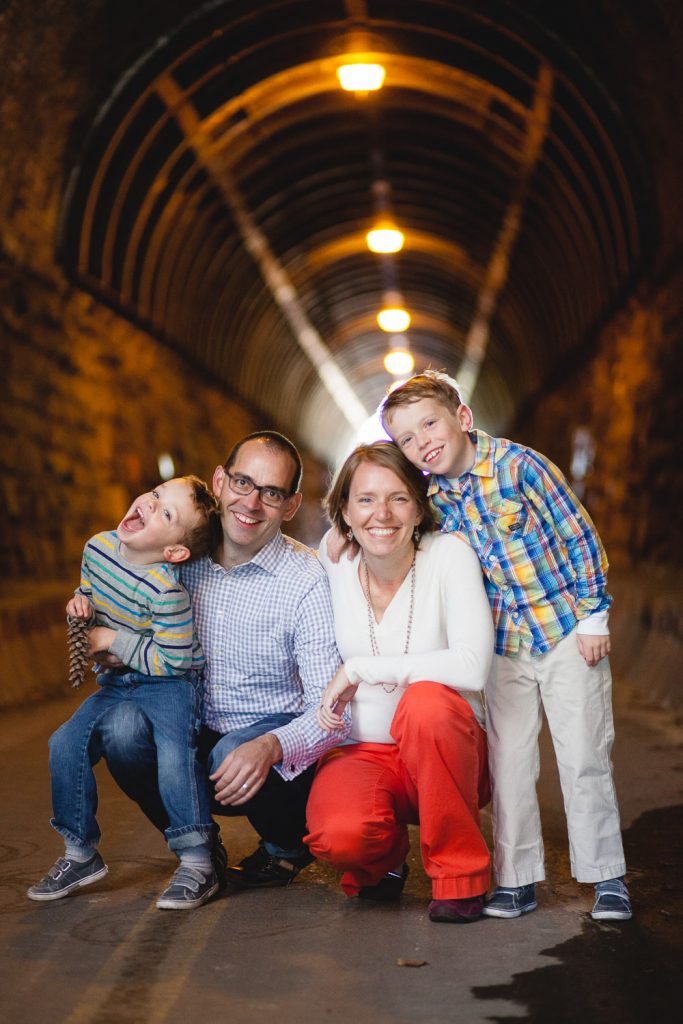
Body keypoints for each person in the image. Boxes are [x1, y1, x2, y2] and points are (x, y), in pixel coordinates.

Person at [378, 370, 631, 922]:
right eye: (407, 438)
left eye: (429, 423)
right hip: (503, 646)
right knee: (510, 759)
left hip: (565, 630)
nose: (422, 441)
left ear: (462, 418)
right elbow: (391, 520)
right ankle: (517, 880)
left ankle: (606, 877)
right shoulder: (435, 497)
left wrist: (594, 614)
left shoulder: (521, 467)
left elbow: (579, 535)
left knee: (584, 755)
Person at [91, 431, 348, 894]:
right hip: (188, 732)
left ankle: (285, 846)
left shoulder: (306, 580)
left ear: (290, 506)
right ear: (220, 482)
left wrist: (272, 744)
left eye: (271, 493)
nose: (251, 503)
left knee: (234, 749)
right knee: (120, 730)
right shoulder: (179, 558)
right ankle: (200, 849)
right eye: (243, 483)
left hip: (262, 749)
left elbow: (330, 713)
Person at [305, 441, 494, 924]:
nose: (381, 514)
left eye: (398, 498)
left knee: (426, 703)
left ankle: (459, 877)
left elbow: (472, 666)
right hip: (366, 748)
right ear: (343, 513)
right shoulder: (332, 562)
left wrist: (359, 669)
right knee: (338, 834)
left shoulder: (448, 556)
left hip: (448, 748)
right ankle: (383, 861)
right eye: (365, 499)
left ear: (418, 508)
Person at [28, 476, 222, 910]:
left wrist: (113, 641)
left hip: (170, 684)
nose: (150, 505)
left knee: (174, 755)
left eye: (166, 513)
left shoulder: (165, 589)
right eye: (155, 495)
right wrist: (80, 607)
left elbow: (174, 660)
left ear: (175, 552)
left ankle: (197, 860)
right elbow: (91, 595)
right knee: (65, 742)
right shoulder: (97, 548)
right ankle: (80, 852)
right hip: (119, 681)